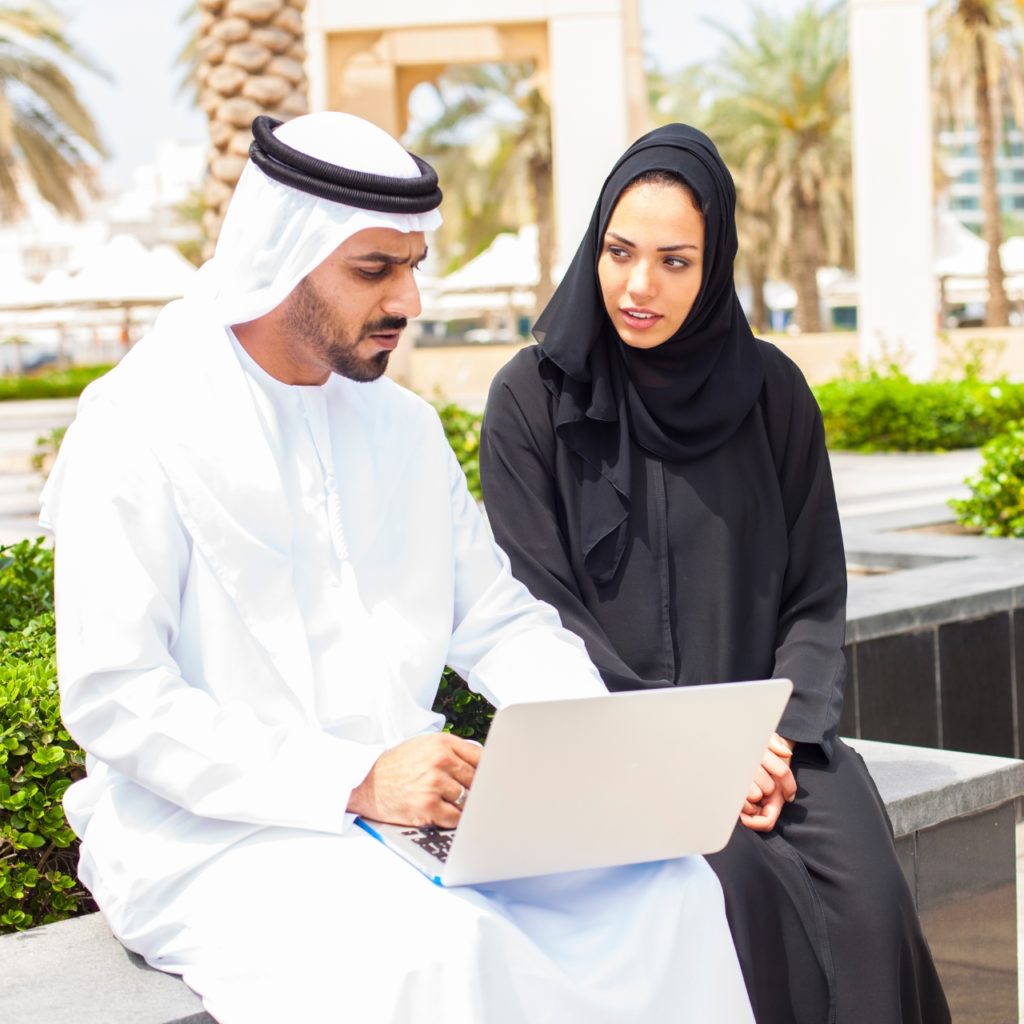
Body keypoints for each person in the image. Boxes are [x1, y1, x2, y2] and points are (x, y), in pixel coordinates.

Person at [41, 112, 756, 1024]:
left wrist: (605, 758)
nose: (408, 301)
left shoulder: (404, 430)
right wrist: (353, 778)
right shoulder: (139, 424)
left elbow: (498, 617)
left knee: (666, 895)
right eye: (373, 270)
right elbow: (117, 698)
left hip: (418, 820)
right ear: (283, 257)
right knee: (445, 953)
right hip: (212, 835)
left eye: (412, 266)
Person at [479, 123, 951, 1024]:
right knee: (736, 900)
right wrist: (686, 750)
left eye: (673, 260)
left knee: (871, 901)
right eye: (619, 252)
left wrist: (766, 736)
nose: (638, 286)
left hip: (773, 740)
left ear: (715, 265)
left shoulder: (771, 393)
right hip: (611, 746)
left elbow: (815, 593)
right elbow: (535, 610)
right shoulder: (530, 402)